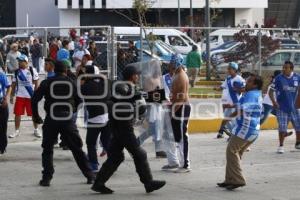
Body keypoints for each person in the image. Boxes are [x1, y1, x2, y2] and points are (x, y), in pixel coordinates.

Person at [91, 65, 166, 194]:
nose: (138, 77)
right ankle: (148, 183)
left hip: (120, 127)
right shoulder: (122, 87)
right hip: (123, 127)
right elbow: (119, 102)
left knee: (116, 157)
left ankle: (98, 183)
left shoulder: (129, 87)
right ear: (132, 76)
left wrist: (162, 96)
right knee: (139, 154)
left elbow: (140, 97)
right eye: (137, 74)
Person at [31, 61, 95, 187]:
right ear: (66, 71)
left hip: (51, 118)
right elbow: (79, 100)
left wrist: (36, 116)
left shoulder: (47, 82)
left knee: (47, 149)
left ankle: (46, 178)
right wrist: (72, 111)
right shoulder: (72, 83)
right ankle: (90, 175)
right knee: (77, 149)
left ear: (54, 70)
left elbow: (34, 100)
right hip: (67, 118)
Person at [217, 74, 263, 190]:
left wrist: (226, 120)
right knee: (235, 153)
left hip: (246, 129)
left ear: (255, 85)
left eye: (249, 82)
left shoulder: (251, 95)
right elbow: (238, 107)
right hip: (252, 129)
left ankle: (238, 180)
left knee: (231, 151)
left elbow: (241, 110)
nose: (246, 83)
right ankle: (230, 179)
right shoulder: (253, 94)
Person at [81, 66, 111, 172]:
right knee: (106, 141)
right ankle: (112, 162)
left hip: (94, 119)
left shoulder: (85, 86)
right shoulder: (105, 83)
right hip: (107, 116)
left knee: (91, 142)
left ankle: (94, 164)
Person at [269, 61, 300, 154]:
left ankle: (298, 143)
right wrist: (274, 102)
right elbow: (270, 91)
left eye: (286, 67)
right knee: (282, 128)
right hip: (282, 107)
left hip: (294, 107)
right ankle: (281, 146)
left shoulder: (297, 77)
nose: (283, 69)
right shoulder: (278, 78)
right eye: (283, 67)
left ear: (291, 69)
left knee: (298, 126)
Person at [9, 54, 41, 138]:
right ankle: (16, 131)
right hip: (20, 96)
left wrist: (36, 95)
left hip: (30, 96)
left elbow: (36, 82)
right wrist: (11, 96)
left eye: (21, 61)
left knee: (34, 114)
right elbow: (14, 84)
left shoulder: (32, 70)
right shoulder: (16, 72)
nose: (19, 62)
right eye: (18, 61)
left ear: (26, 62)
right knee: (17, 114)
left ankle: (36, 130)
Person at [170, 54, 192, 173]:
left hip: (182, 107)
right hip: (177, 106)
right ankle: (182, 162)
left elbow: (182, 97)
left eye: (173, 62)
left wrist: (173, 110)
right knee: (178, 136)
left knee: (183, 136)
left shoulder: (181, 77)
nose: (171, 64)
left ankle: (185, 164)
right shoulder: (176, 74)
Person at [214, 62, 245, 138]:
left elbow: (244, 89)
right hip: (227, 102)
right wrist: (217, 88)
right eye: (228, 68)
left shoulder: (239, 79)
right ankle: (234, 134)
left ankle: (235, 135)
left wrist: (237, 89)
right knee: (227, 119)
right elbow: (223, 86)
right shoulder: (228, 78)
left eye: (229, 68)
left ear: (235, 70)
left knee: (230, 119)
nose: (228, 70)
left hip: (235, 102)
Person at [161, 63, 180, 170]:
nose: (174, 69)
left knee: (171, 135)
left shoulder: (180, 78)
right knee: (168, 135)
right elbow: (158, 94)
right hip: (167, 109)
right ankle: (173, 160)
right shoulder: (164, 78)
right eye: (172, 67)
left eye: (176, 67)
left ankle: (174, 161)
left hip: (174, 110)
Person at [0, 70, 11, 155]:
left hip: (2, 105)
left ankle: (3, 147)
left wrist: (6, 98)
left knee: (3, 127)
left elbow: (9, 87)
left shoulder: (1, 74)